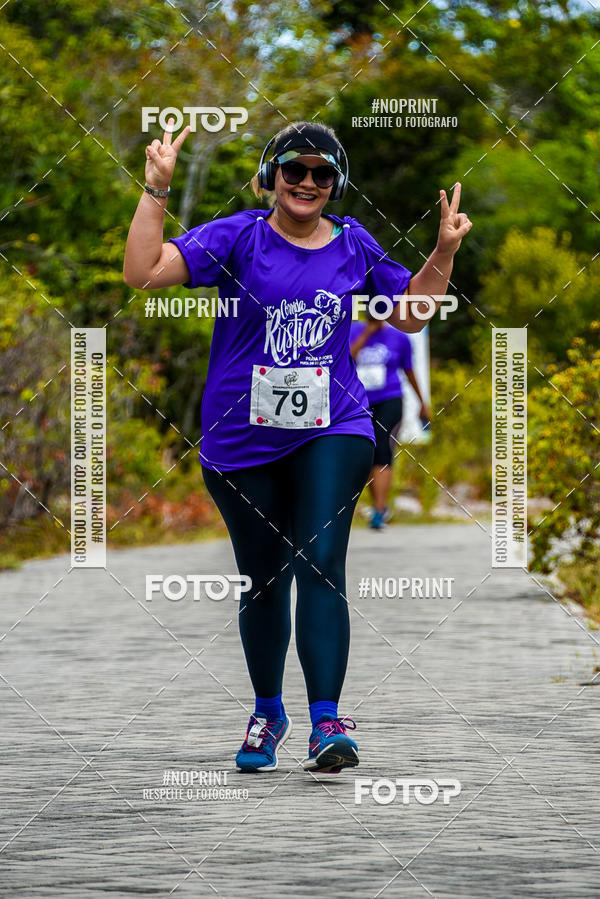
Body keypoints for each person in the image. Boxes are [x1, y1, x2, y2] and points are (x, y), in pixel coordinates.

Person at [123, 118, 472, 774]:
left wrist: (443, 252)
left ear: (336, 183)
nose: (308, 182)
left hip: (333, 427)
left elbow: (410, 312)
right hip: (241, 440)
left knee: (320, 561)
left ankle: (326, 721)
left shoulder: (353, 244)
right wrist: (156, 188)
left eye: (322, 173)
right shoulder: (239, 237)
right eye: (294, 170)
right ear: (271, 177)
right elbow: (143, 271)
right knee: (261, 580)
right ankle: (267, 710)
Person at [350, 314, 430, 529]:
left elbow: (409, 370)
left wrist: (423, 402)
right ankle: (379, 505)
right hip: (360, 400)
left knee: (383, 449)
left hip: (390, 400)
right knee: (366, 454)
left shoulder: (399, 337)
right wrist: (367, 333)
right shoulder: (352, 331)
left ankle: (378, 510)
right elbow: (347, 360)